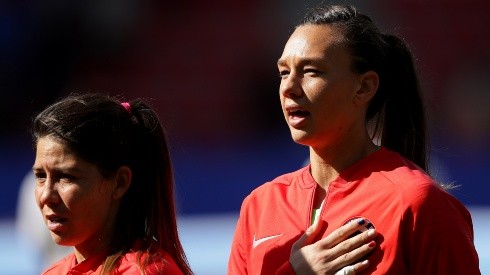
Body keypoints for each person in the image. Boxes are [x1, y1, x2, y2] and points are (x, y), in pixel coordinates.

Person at [228, 4, 480, 274]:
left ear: (364, 87)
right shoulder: (258, 206)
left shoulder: (417, 203)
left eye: (312, 71)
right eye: (283, 72)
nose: (289, 87)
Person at [31, 93, 193, 274]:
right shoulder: (53, 272)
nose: (46, 196)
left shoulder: (145, 271)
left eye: (67, 177)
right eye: (40, 176)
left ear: (119, 183)